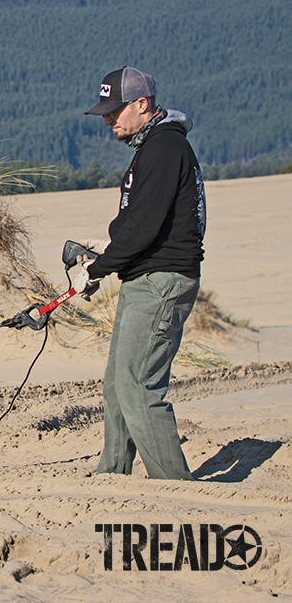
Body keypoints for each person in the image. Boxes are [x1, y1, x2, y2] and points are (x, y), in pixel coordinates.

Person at [73, 66, 206, 480]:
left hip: (162, 281)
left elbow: (145, 227)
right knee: (116, 384)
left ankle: (176, 487)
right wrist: (105, 249)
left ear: (142, 105)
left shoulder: (165, 148)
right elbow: (136, 223)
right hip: (144, 276)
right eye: (105, 113)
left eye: (115, 111)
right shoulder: (150, 149)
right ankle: (112, 475)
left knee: (138, 387)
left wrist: (96, 269)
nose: (109, 119)